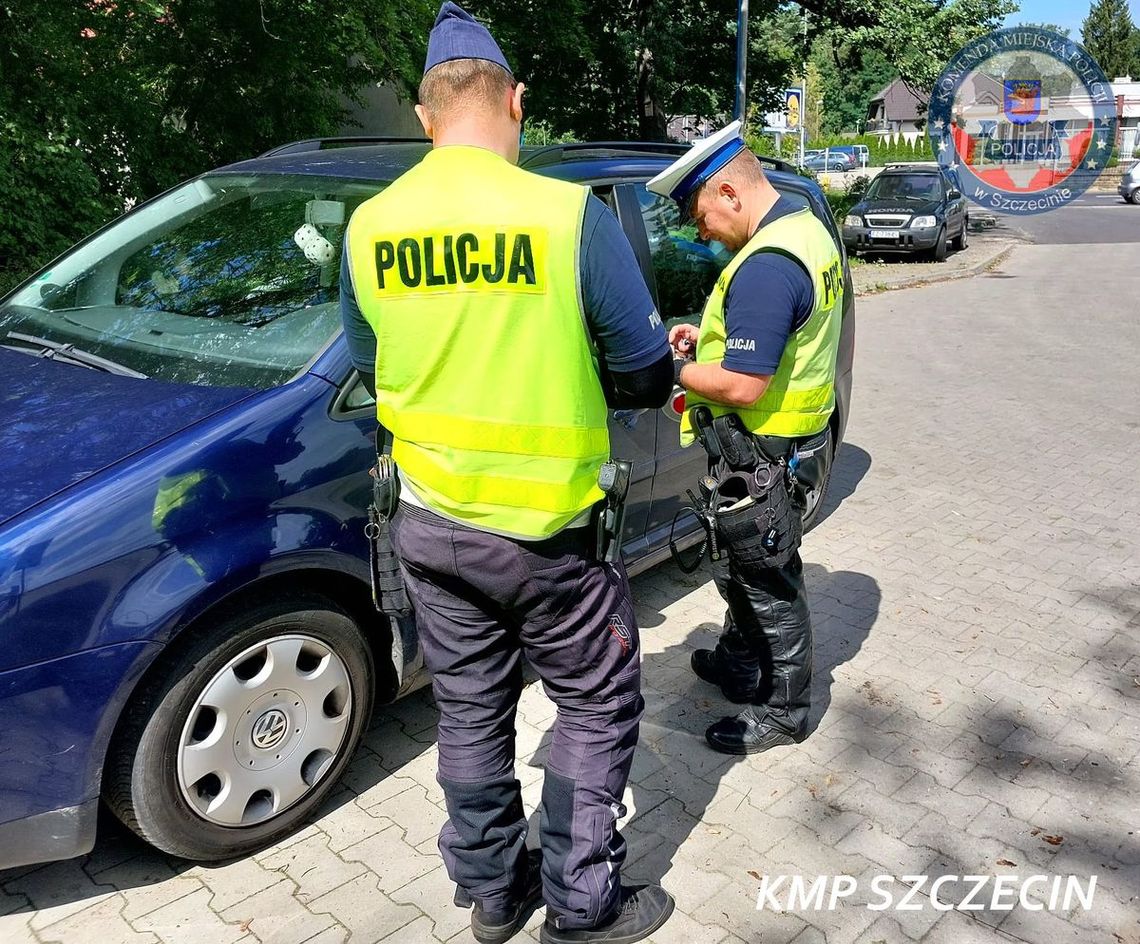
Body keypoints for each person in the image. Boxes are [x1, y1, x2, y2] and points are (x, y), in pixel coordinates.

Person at [339, 5, 675, 943]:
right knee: (598, 700)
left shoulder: (371, 226)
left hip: (430, 523)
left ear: (423, 114)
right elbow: (646, 376)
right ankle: (580, 901)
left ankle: (494, 893)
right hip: (548, 535)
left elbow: (372, 365)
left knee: (470, 707)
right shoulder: (564, 214)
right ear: (515, 102)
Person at [647, 120, 843, 756]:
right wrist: (698, 341)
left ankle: (784, 713)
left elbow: (742, 385)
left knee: (771, 581)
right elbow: (764, 345)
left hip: (766, 452)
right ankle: (738, 663)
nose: (699, 231)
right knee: (746, 566)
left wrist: (671, 369)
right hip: (785, 448)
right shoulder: (806, 232)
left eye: (699, 214)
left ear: (729, 192)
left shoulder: (767, 264)